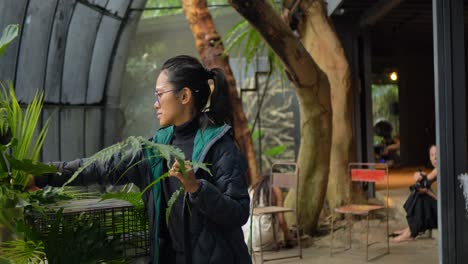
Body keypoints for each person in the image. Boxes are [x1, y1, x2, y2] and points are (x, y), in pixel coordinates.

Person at [34, 55, 252, 264]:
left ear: (184, 96)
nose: (155, 104)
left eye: (159, 94)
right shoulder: (155, 149)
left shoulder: (220, 147)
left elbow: (238, 213)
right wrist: (41, 175)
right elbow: (100, 167)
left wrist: (196, 188)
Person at [391, 145, 437, 243]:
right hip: (442, 207)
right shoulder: (437, 170)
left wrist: (427, 191)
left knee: (422, 197)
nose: (435, 158)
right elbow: (424, 181)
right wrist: (419, 174)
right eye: (432, 155)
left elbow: (444, 199)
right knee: (419, 191)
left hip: (448, 211)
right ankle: (410, 229)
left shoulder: (441, 169)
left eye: (437, 154)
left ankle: (411, 232)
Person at [242, 173, 294, 251]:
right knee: (274, 215)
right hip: (264, 234)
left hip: (247, 234)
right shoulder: (276, 190)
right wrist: (287, 236)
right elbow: (281, 219)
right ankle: (270, 242)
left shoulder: (253, 188)